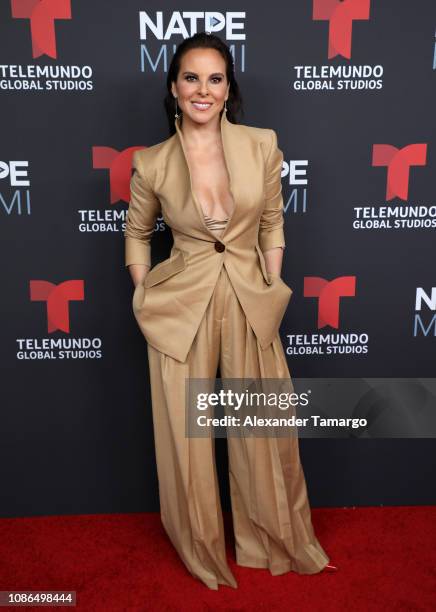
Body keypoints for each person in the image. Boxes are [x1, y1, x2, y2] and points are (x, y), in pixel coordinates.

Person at [124, 32, 336, 590]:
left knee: (262, 427)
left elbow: (272, 222)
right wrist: (144, 295)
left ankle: (269, 542)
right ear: (174, 88)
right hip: (181, 305)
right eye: (190, 78)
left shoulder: (261, 144)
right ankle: (201, 550)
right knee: (184, 438)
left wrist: (273, 283)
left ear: (227, 89)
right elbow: (137, 234)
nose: (202, 89)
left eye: (214, 79)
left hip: (248, 295)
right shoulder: (152, 163)